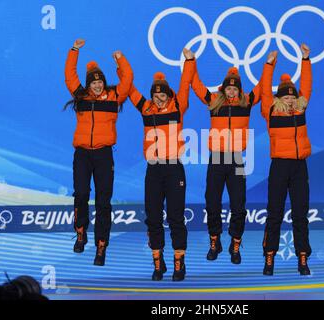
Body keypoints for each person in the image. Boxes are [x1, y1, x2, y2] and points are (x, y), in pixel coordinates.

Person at [126, 48, 195, 281]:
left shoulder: (179, 106)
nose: (159, 98)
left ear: (168, 94)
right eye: (155, 95)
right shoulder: (145, 108)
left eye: (162, 95)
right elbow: (128, 87)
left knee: (175, 216)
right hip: (153, 169)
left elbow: (186, 83)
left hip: (174, 168)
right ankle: (158, 263)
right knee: (153, 216)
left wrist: (189, 60)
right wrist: (119, 62)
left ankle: (179, 263)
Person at [64, 38, 133, 266]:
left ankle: (101, 246)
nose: (97, 85)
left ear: (104, 83)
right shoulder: (80, 96)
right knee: (81, 194)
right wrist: (74, 50)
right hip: (82, 154)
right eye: (93, 83)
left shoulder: (114, 97)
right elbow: (69, 74)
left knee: (103, 201)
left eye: (100, 82)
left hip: (104, 155)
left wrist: (120, 61)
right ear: (88, 84)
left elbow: (128, 79)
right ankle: (81, 232)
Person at [190, 61, 262, 264]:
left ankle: (235, 242)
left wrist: (269, 64)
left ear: (239, 90)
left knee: (238, 205)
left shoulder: (247, 103)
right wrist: (190, 61)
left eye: (235, 88)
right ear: (223, 89)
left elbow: (263, 86)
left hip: (237, 160)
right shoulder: (214, 102)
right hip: (217, 159)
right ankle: (215, 241)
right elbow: (195, 84)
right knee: (212, 203)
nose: (231, 92)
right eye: (228, 88)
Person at [260, 44, 313, 276]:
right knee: (274, 213)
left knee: (301, 214)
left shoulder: (301, 110)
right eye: (286, 95)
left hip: (300, 166)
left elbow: (308, 86)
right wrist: (269, 65)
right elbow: (263, 89)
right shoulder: (270, 111)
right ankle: (269, 258)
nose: (291, 98)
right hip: (280, 166)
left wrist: (305, 59)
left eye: (293, 95)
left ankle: (302, 258)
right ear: (279, 97)